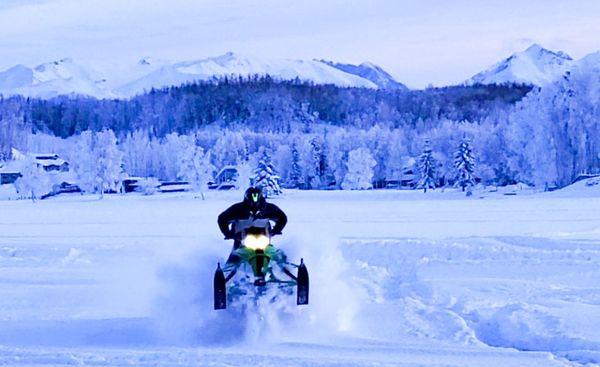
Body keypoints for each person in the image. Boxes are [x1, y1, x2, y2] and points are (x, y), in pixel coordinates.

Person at [217, 187, 287, 264]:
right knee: (233, 260)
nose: (254, 204)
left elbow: (282, 217)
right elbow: (222, 219)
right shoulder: (237, 209)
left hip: (263, 239)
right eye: (251, 201)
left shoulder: (269, 208)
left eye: (257, 199)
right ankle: (226, 271)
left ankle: (285, 267)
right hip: (241, 241)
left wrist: (276, 230)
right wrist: (228, 233)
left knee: (276, 257)